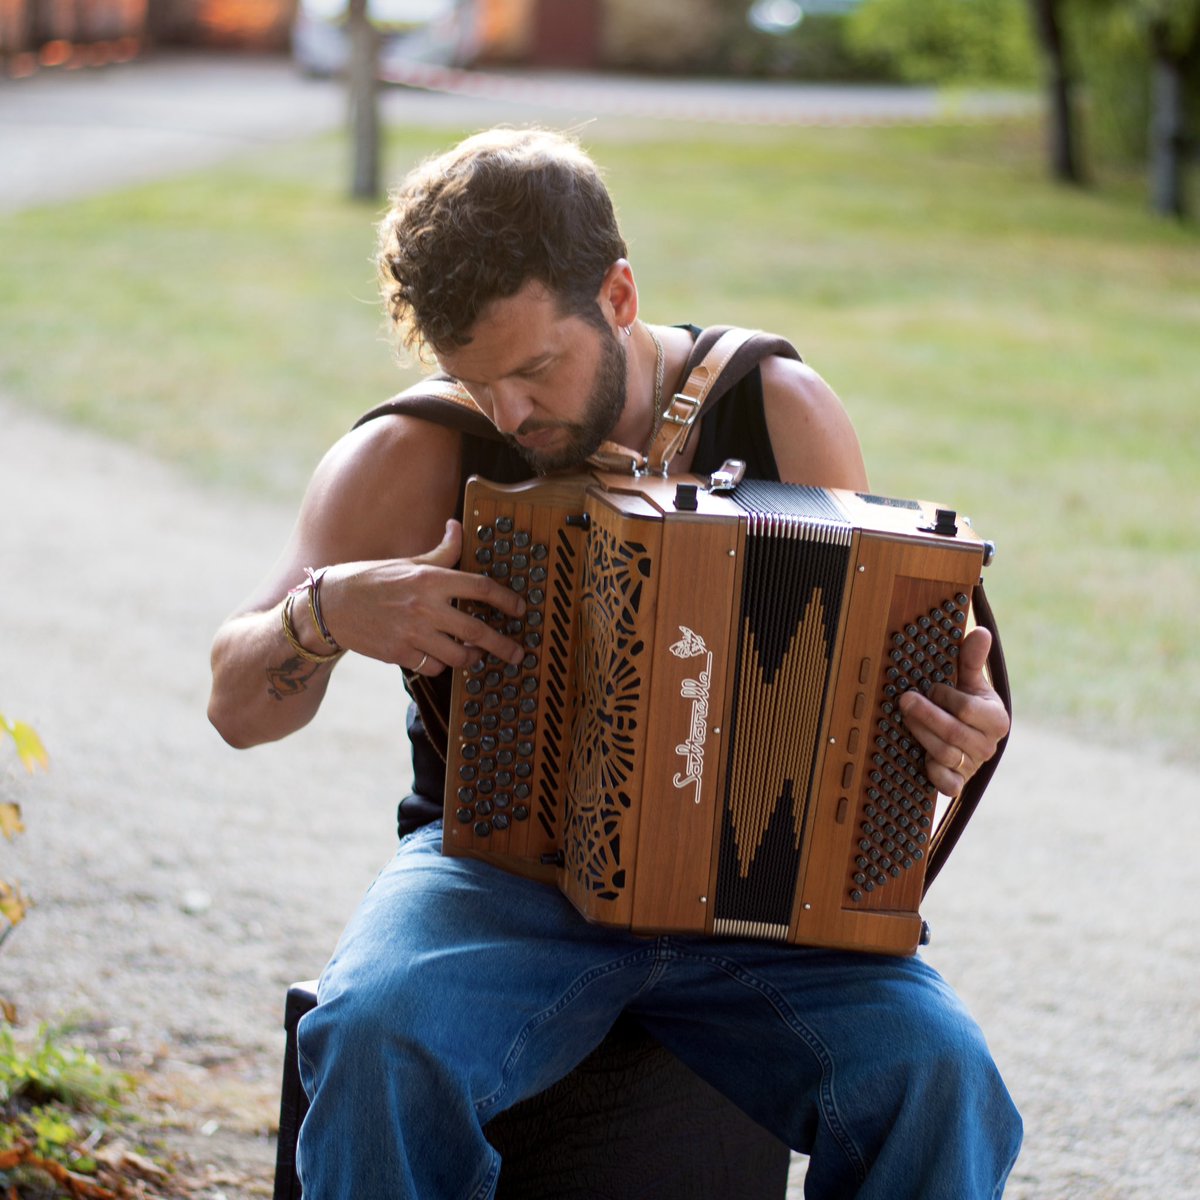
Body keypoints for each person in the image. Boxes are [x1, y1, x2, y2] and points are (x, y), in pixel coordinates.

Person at [208, 127, 1020, 1199]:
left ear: (620, 294)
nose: (510, 413)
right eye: (473, 378)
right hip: (493, 884)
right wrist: (327, 612)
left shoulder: (779, 409)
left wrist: (950, 739)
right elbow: (235, 705)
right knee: (373, 1035)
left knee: (943, 1078)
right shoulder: (416, 454)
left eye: (534, 368)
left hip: (761, 910)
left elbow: (857, 696)